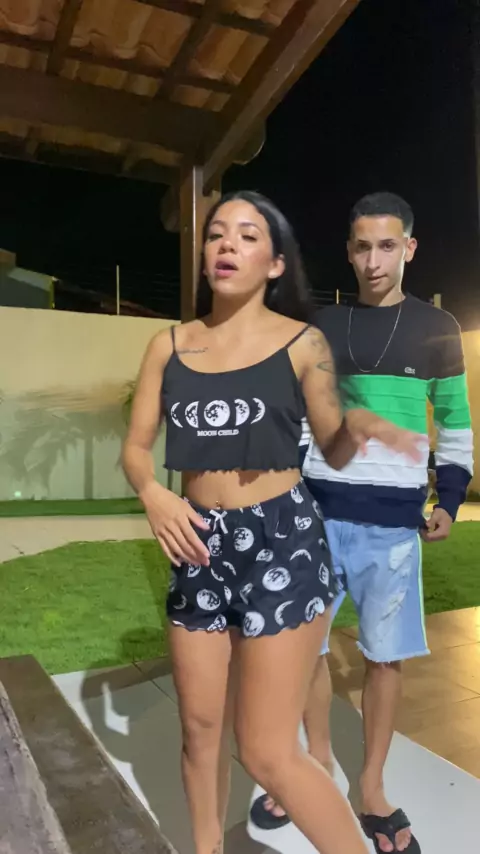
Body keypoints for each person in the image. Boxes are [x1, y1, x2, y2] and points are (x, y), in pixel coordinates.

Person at [122, 190, 423, 854]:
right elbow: (137, 448)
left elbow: (332, 448)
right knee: (200, 731)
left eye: (247, 235)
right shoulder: (168, 346)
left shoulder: (302, 343)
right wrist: (153, 494)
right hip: (198, 543)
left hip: (282, 542)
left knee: (265, 749)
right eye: (216, 234)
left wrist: (359, 427)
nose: (226, 244)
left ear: (276, 263)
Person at [250, 192, 474, 854]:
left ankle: (372, 787)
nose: (374, 261)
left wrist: (449, 499)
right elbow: (300, 421)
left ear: (409, 248)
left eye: (387, 246)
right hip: (315, 519)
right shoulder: (321, 325)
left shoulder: (437, 328)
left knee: (384, 656)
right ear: (348, 252)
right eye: (362, 247)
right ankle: (317, 762)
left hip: (392, 529)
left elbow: (454, 423)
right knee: (308, 650)